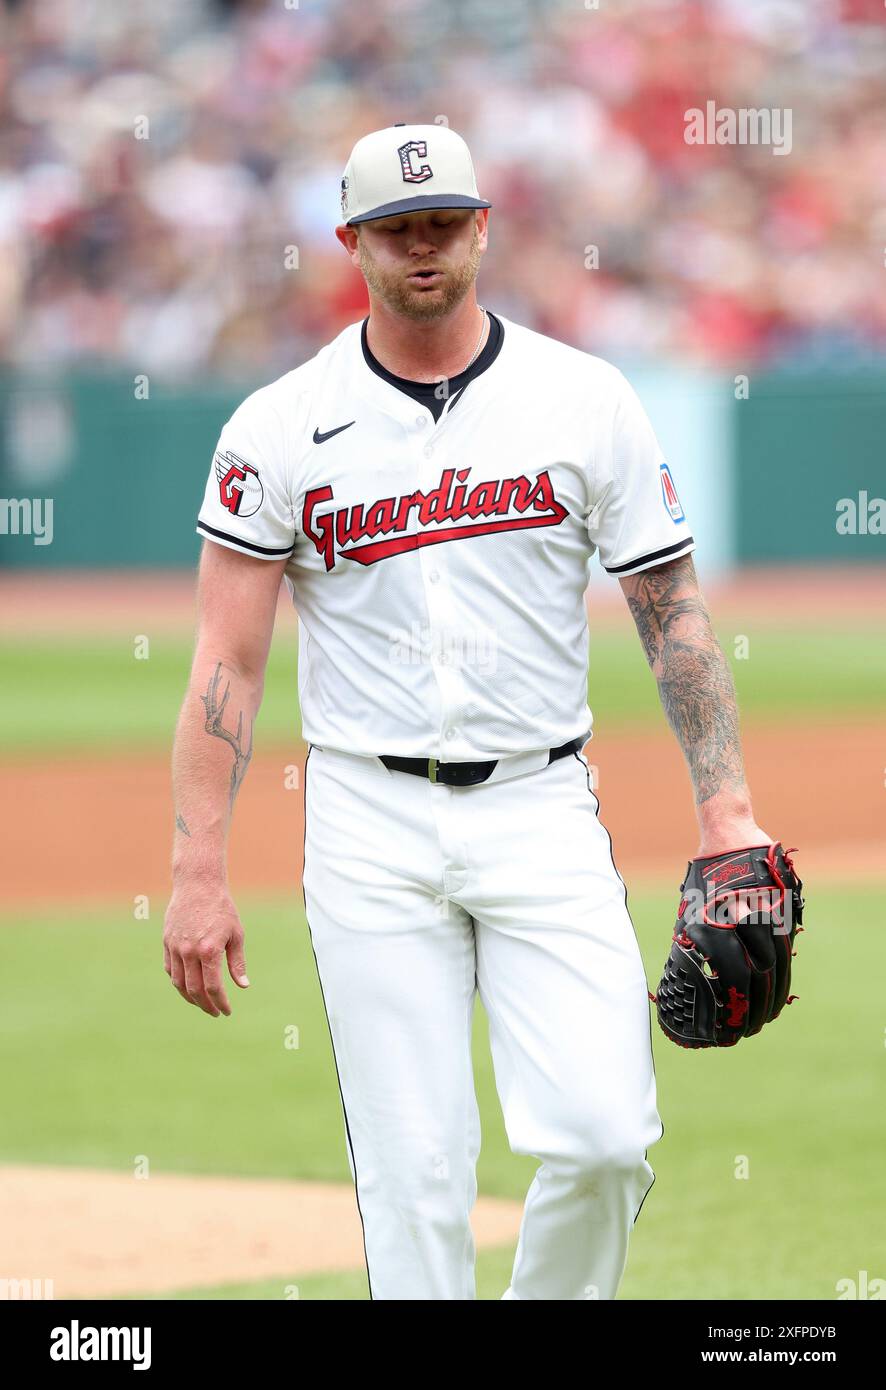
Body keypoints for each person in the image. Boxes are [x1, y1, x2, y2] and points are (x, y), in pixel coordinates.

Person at [163, 124, 771, 1301]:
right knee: (418, 1181)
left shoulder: (582, 398)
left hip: (542, 803)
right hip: (366, 821)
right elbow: (225, 663)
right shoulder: (279, 425)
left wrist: (728, 809)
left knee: (604, 1140)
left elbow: (672, 612)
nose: (423, 247)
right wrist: (197, 867)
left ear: (483, 224)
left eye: (444, 220)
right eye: (397, 228)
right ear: (352, 243)